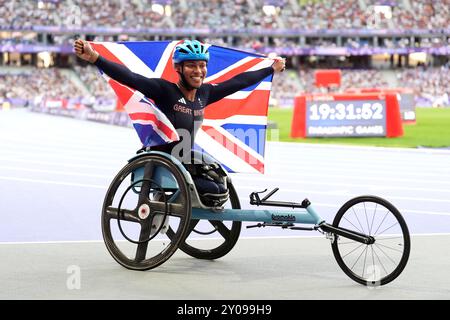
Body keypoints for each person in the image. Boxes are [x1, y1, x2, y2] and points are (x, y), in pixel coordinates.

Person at [74, 39, 285, 205]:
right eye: (192, 66)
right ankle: (160, 203)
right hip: (164, 161)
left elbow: (238, 82)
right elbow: (130, 77)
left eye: (202, 65)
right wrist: (95, 57)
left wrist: (270, 69)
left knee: (221, 186)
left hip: (186, 159)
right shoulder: (165, 90)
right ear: (179, 68)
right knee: (212, 190)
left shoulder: (205, 93)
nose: (199, 71)